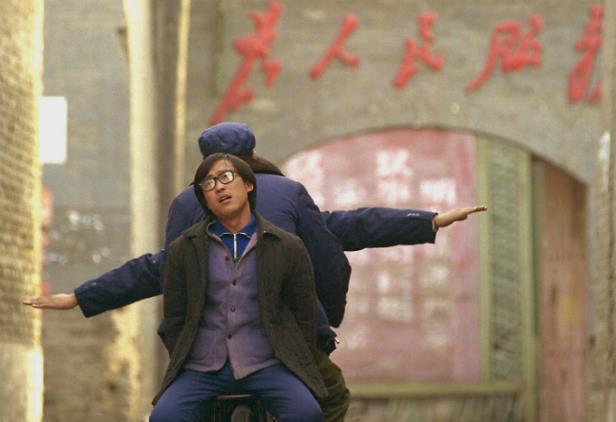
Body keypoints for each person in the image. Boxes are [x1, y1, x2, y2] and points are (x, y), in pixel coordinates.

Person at [25, 122, 487, 421]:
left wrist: (82, 296)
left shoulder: (186, 203)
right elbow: (337, 240)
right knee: (331, 398)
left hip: (205, 351)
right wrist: (323, 323)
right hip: (282, 345)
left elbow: (158, 270)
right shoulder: (287, 193)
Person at [151, 153, 325, 421]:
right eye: (208, 184)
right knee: (164, 417)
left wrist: (292, 355)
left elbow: (304, 312)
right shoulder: (184, 249)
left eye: (226, 177)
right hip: (202, 367)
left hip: (269, 363)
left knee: (307, 413)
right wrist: (188, 355)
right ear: (204, 199)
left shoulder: (286, 245)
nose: (219, 187)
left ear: (248, 184)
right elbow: (175, 315)